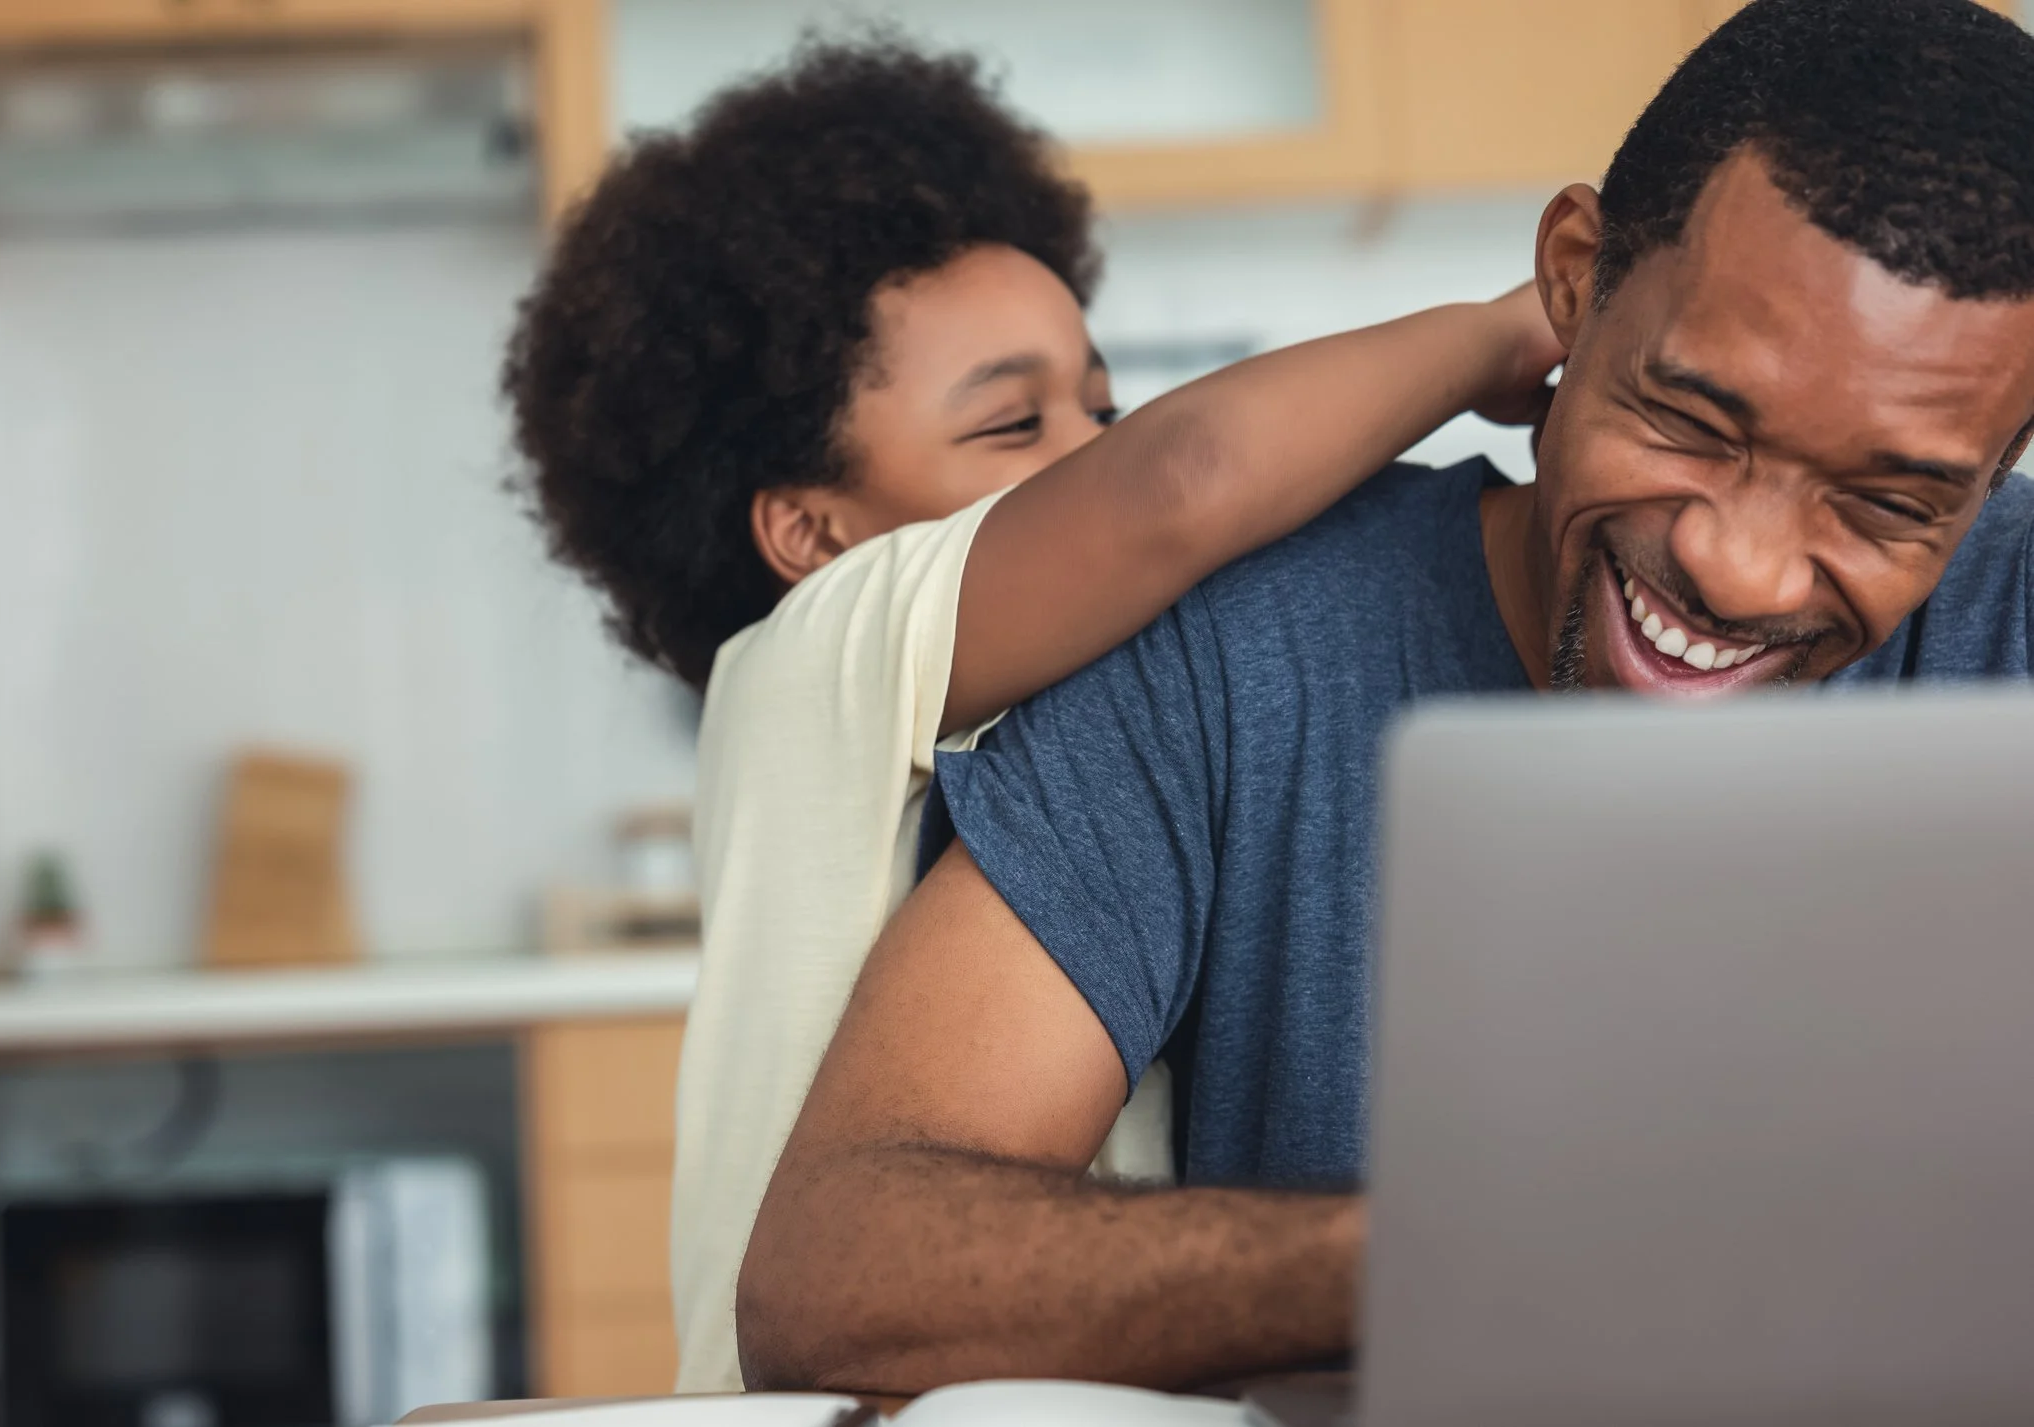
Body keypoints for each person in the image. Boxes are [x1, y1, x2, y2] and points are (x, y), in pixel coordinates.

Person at [738, 0, 2034, 1395]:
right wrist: (1472, 1248)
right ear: (1577, 278)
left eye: (1888, 503)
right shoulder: (1236, 650)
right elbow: (839, 1271)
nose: (1740, 564)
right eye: (1692, 421)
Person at [502, 39, 1563, 1391]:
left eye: (1100, 405)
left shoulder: (1069, 707)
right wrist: (1497, 333)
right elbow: (1186, 481)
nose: (1089, 454)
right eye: (1015, 427)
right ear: (808, 530)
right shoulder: (824, 645)